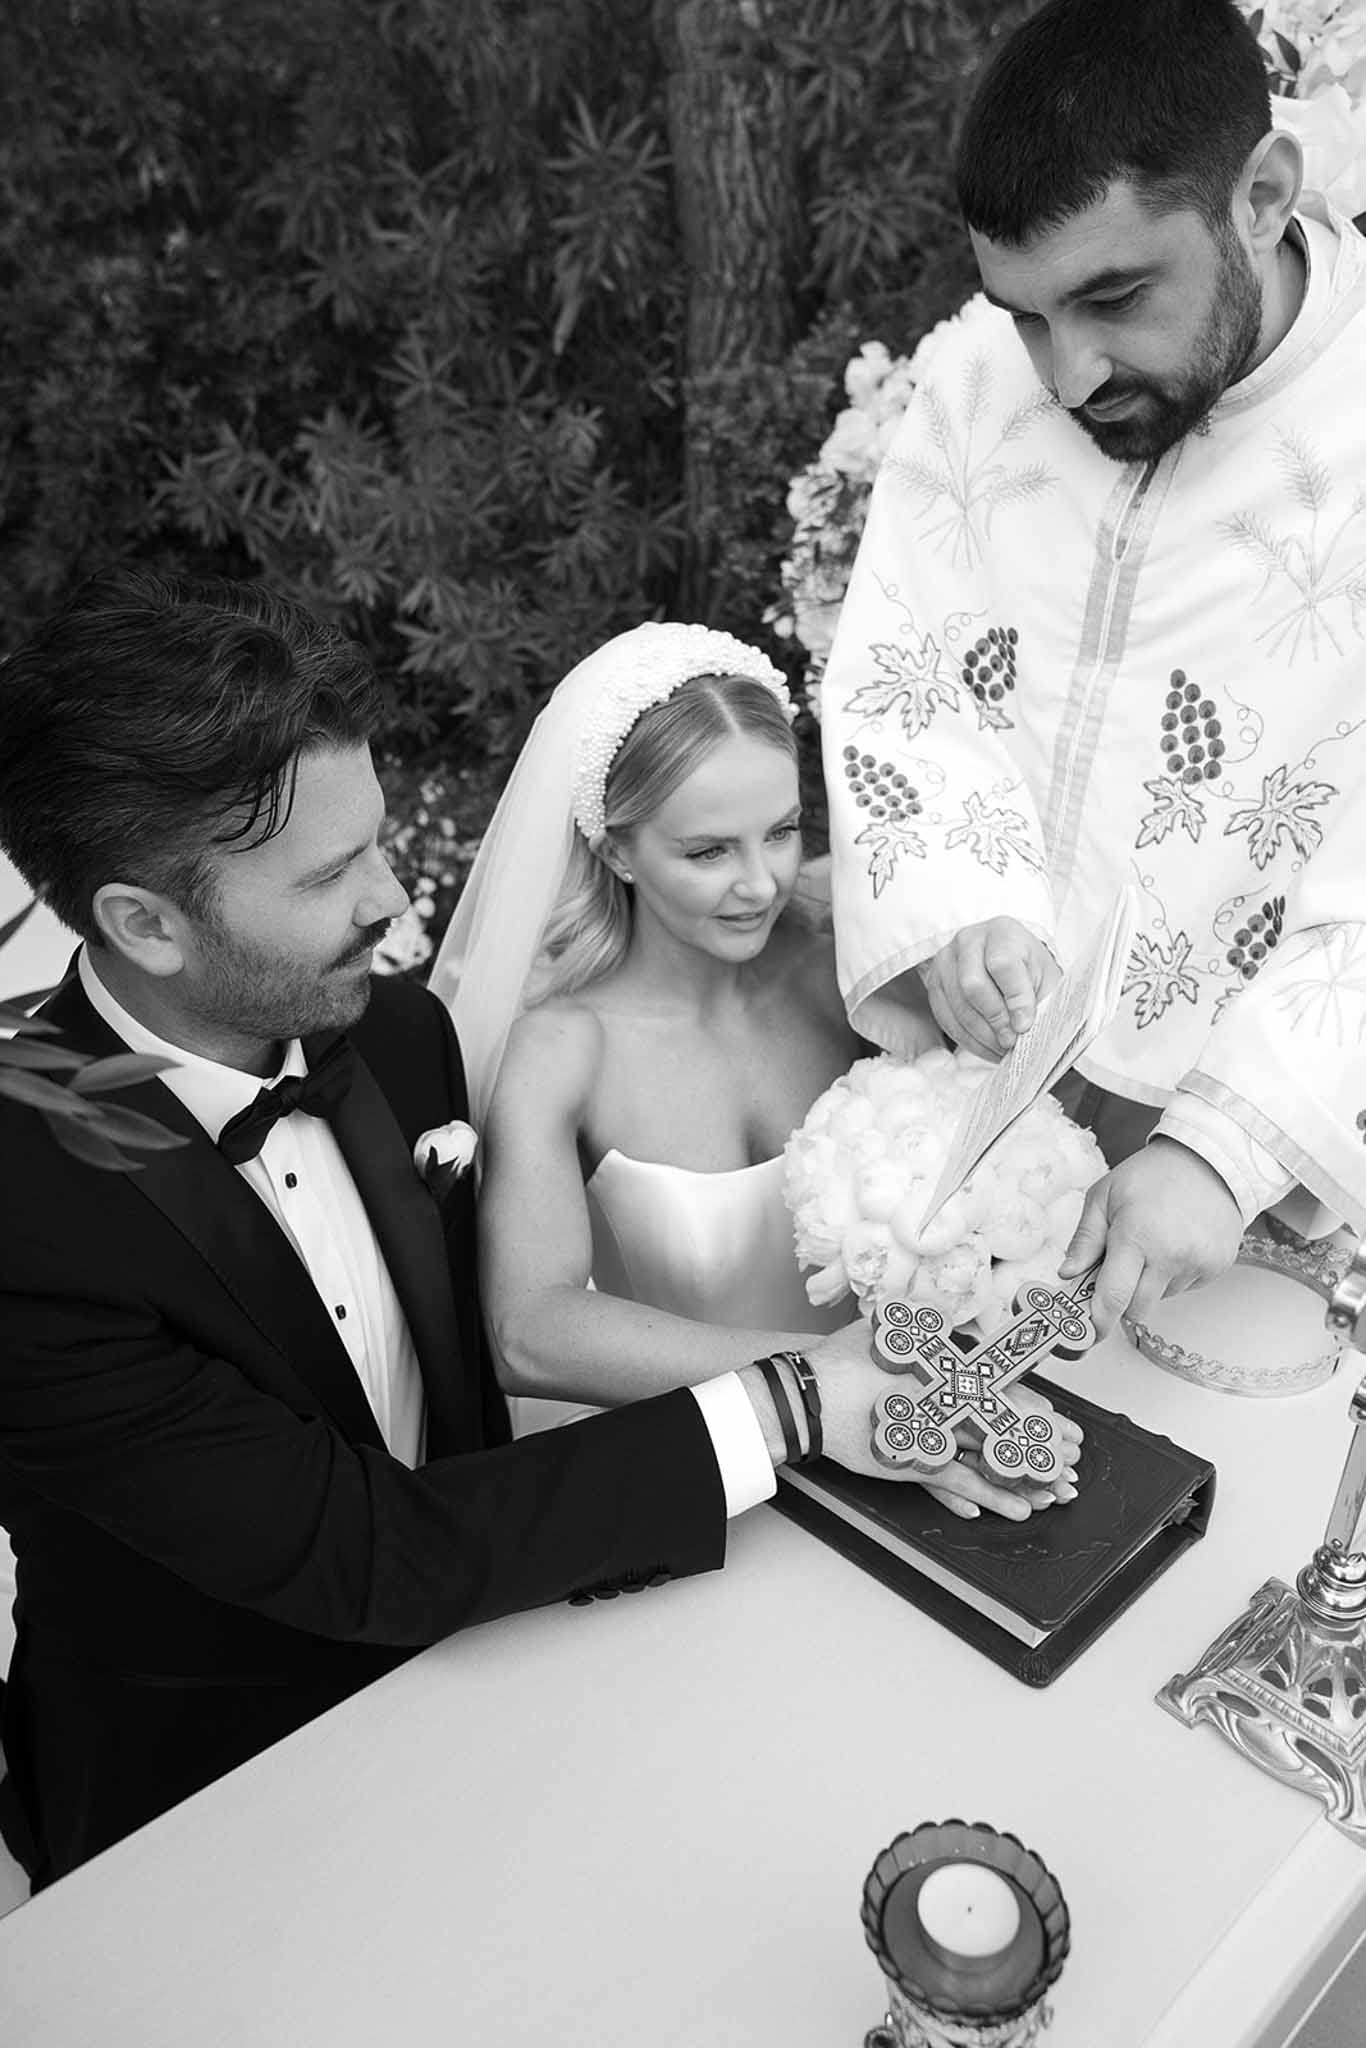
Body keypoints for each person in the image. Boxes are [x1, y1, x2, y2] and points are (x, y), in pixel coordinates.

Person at [0, 575, 1075, 1889]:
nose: (395, 904)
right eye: (333, 874)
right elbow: (363, 1546)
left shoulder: (395, 1038)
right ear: (143, 925)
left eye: (378, 841)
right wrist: (796, 1402)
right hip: (203, 1792)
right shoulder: (27, 1218)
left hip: (491, 1678)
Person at [820, 0, 1366, 1344]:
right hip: (978, 1115)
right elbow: (904, 688)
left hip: (1279, 1167)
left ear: (1261, 193)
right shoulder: (966, 389)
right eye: (1024, 315)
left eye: (1115, 299)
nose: (1065, 377)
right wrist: (953, 925)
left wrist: (1222, 1149)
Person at [429, 619, 1080, 1473]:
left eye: (781, 830)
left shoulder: (848, 961)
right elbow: (529, 1331)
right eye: (707, 851)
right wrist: (829, 1383)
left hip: (925, 1430)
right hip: (718, 1465)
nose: (761, 882)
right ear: (614, 850)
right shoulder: (562, 1049)